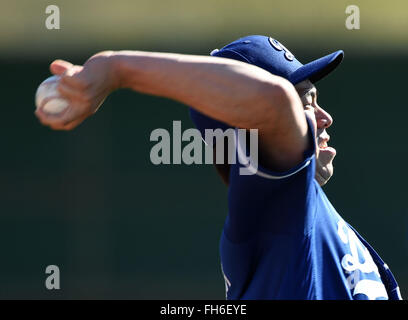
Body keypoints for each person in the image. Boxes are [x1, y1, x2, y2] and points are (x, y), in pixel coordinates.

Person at [35, 35, 402, 300]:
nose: (324, 117)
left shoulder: (313, 215)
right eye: (305, 101)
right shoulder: (276, 203)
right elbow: (273, 102)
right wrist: (117, 69)